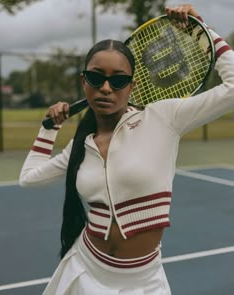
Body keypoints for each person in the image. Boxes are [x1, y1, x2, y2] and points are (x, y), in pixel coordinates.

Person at [19, 4, 234, 295]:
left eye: (118, 80)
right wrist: (49, 129)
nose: (106, 88)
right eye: (96, 78)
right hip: (85, 270)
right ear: (84, 82)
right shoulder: (81, 145)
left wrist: (200, 32)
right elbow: (28, 177)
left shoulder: (163, 118)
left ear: (132, 86)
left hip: (143, 282)